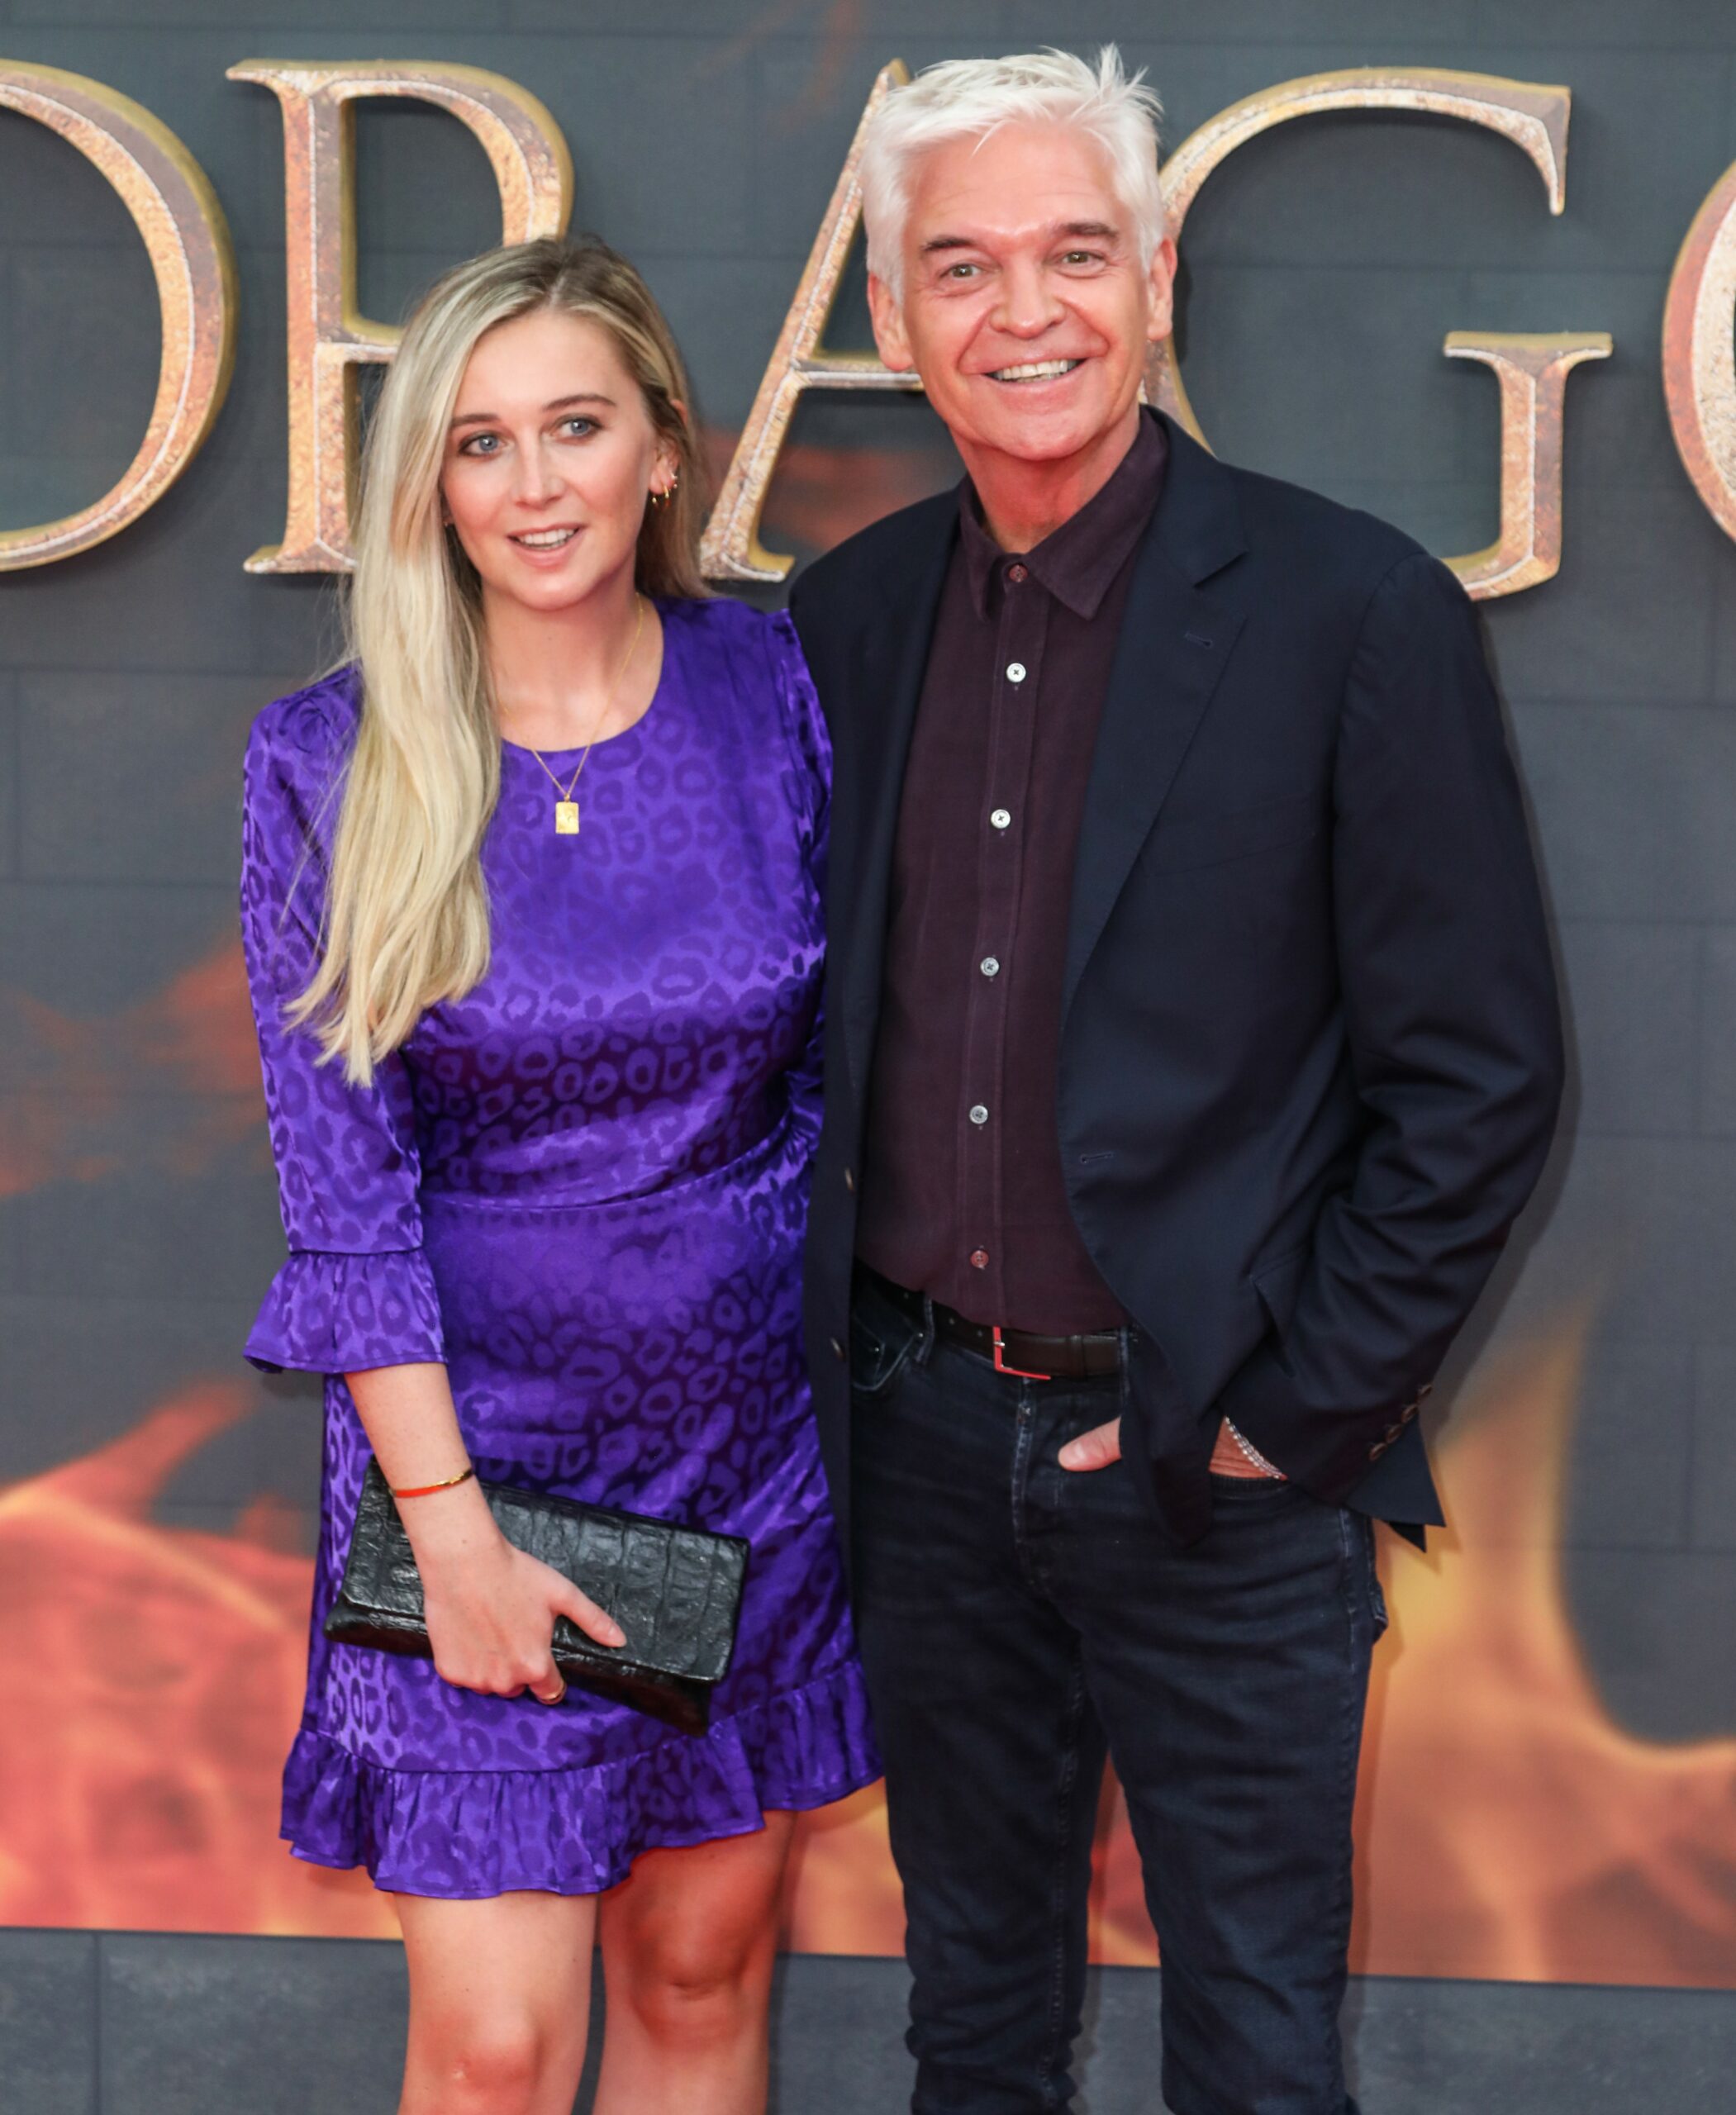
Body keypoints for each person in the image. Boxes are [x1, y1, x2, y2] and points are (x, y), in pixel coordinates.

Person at [788, 48, 1564, 2115]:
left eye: (1069, 255)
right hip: (923, 1444)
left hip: (1212, 1456)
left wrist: (1289, 1418)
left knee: (1250, 2042)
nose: (1019, 310)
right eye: (960, 266)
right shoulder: (845, 616)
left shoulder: (1349, 607)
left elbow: (1479, 1074)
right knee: (972, 2026)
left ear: (1151, 280)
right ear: (893, 318)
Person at [240, 236, 877, 2115]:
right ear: (429, 484)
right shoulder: (332, 759)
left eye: (574, 428)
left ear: (663, 452)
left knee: (696, 1969)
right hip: (474, 1475)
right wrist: (450, 1537)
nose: (532, 486)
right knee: (499, 2048)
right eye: (480, 442)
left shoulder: (778, 691)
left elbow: (860, 1065)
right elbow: (340, 1194)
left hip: (741, 1457)